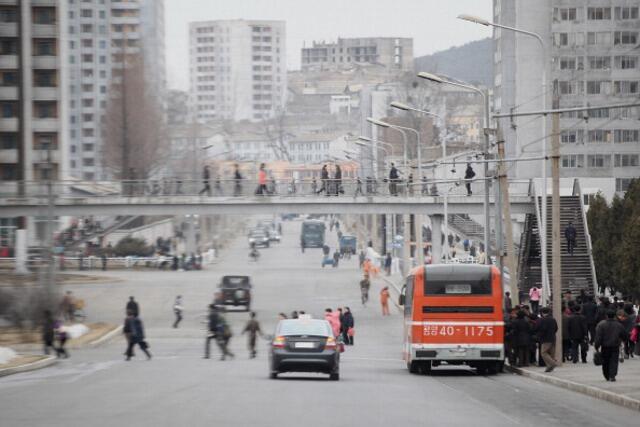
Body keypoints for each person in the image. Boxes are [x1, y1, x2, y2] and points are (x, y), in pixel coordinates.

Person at [595, 309, 628, 381]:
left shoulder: (601, 324)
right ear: (614, 316)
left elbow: (598, 336)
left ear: (606, 316)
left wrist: (597, 346)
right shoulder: (619, 325)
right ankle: (612, 375)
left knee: (605, 361)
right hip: (615, 346)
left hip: (605, 346)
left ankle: (606, 375)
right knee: (614, 361)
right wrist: (623, 340)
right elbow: (624, 335)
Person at [537, 307, 559, 372]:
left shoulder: (541, 320)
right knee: (551, 353)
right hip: (553, 337)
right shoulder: (553, 319)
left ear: (542, 313)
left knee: (543, 353)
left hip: (546, 338)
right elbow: (556, 328)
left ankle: (553, 364)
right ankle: (549, 367)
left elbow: (540, 329)